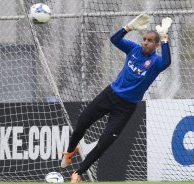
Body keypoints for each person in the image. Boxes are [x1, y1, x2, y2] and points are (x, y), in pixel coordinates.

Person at [61, 14, 172, 183]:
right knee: (82, 122)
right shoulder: (133, 49)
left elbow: (167, 62)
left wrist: (164, 37)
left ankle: (78, 173)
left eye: (150, 41)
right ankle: (70, 151)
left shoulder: (156, 61)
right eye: (144, 39)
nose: (145, 42)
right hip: (109, 95)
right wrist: (128, 27)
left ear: (156, 45)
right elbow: (114, 39)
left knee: (105, 142)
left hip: (126, 107)